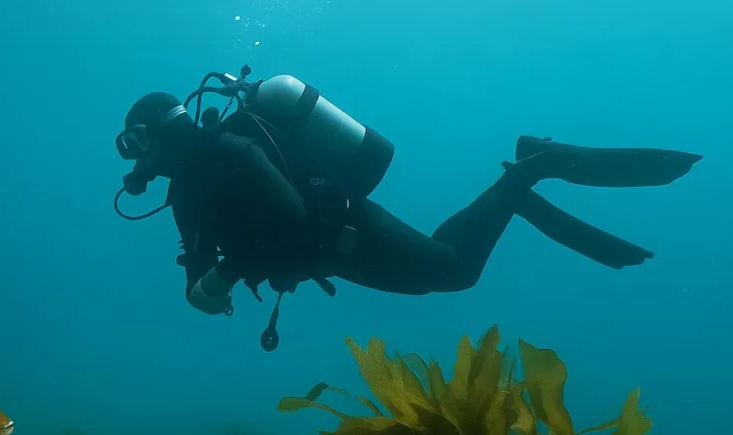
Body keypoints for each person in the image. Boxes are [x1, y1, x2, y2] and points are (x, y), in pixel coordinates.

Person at [113, 70, 703, 350]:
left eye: (136, 142)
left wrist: (229, 270)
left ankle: (532, 168)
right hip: (335, 248)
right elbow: (198, 262)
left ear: (163, 131)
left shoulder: (230, 150)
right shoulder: (186, 191)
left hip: (347, 230)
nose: (138, 159)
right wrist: (203, 284)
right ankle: (516, 189)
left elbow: (290, 221)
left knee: (455, 272)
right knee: (445, 263)